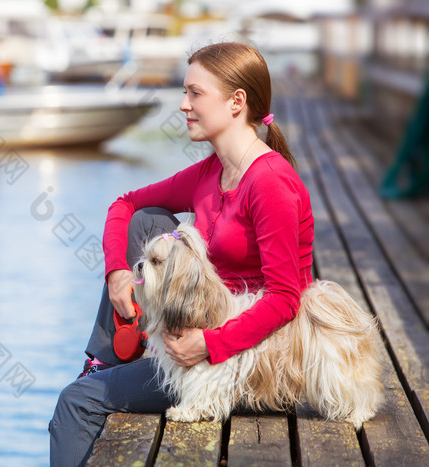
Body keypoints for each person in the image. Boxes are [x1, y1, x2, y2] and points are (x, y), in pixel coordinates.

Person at [49, 42, 314, 466]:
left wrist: (208, 344)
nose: (182, 104)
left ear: (235, 102)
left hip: (249, 365)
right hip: (198, 336)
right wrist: (117, 271)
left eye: (194, 93)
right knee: (147, 220)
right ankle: (106, 359)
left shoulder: (269, 183)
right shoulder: (212, 171)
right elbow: (124, 203)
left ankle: (101, 373)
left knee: (76, 403)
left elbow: (286, 300)